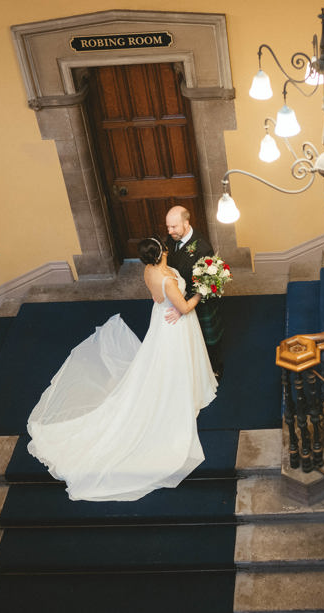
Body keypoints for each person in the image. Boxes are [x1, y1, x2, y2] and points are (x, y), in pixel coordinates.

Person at [26, 237, 217, 502]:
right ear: (162, 252)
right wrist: (201, 291)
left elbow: (154, 296)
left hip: (162, 318)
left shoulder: (148, 270)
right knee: (174, 364)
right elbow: (183, 308)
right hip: (175, 325)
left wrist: (168, 305)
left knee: (160, 363)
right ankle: (184, 391)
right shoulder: (169, 280)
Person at [164, 205, 225, 378]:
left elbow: (205, 285)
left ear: (186, 223)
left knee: (209, 337)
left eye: (173, 227)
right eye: (167, 227)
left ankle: (215, 367)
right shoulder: (172, 238)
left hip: (200, 298)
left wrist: (183, 306)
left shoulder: (203, 248)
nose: (169, 231)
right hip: (180, 294)